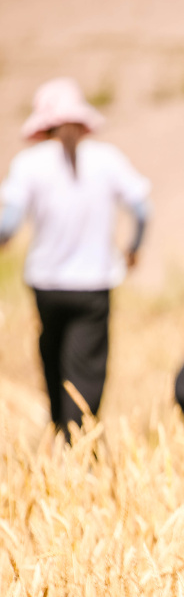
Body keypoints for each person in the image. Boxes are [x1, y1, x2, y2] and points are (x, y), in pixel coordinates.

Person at [0, 78, 150, 438]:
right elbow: (143, 208)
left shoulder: (29, 163)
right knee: (86, 367)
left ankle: (59, 429)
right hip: (93, 284)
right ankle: (78, 440)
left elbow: (9, 221)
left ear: (43, 125)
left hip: (46, 284)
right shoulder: (107, 159)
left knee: (52, 356)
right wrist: (133, 247)